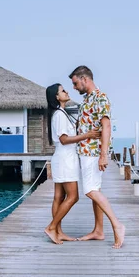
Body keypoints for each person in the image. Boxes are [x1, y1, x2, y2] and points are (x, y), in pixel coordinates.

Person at [69, 65, 126, 249]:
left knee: (90, 190)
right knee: (95, 190)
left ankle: (117, 225)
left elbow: (106, 126)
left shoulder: (100, 97)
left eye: (76, 83)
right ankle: (98, 230)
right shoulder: (87, 100)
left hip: (93, 152)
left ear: (85, 79)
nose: (74, 87)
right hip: (86, 152)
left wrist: (103, 155)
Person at [44, 83, 100, 245]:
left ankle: (58, 232)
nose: (67, 92)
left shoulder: (61, 113)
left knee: (59, 196)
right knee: (73, 196)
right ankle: (52, 227)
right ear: (56, 96)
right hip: (66, 160)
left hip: (62, 158)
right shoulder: (60, 115)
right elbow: (64, 139)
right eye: (63, 91)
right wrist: (87, 135)